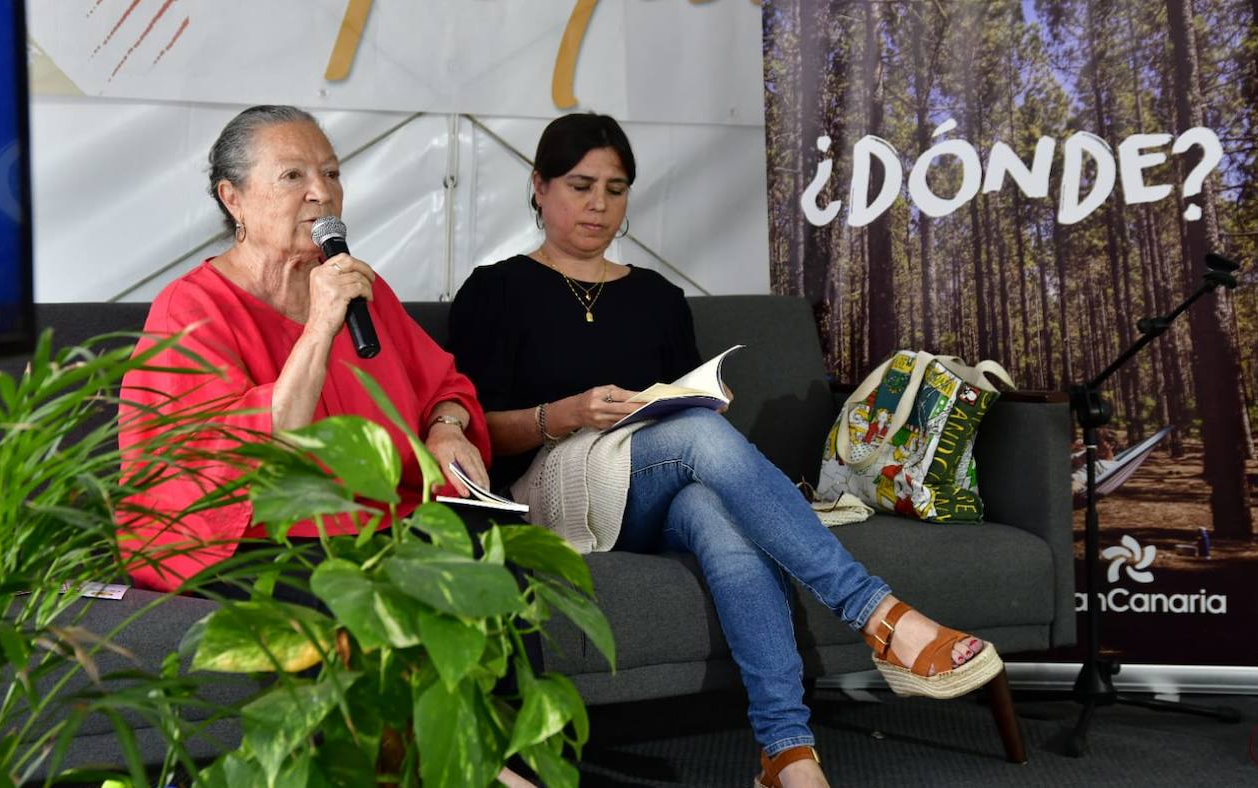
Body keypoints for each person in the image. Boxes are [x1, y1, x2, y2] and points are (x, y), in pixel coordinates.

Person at [447, 113, 1005, 788]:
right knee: (699, 444)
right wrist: (558, 416)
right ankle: (880, 616)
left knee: (717, 510)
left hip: (646, 492)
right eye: (580, 185)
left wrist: (701, 400)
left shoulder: (655, 296)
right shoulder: (495, 289)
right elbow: (471, 433)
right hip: (548, 491)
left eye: (616, 188)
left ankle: (786, 754)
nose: (599, 204)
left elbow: (679, 403)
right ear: (538, 187)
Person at [117, 105, 537, 788]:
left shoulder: (365, 291)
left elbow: (444, 382)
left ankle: (512, 765)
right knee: (356, 602)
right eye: (293, 175)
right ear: (235, 199)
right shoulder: (192, 308)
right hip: (244, 538)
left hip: (374, 525)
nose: (322, 193)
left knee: (499, 577)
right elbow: (260, 441)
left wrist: (449, 424)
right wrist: (319, 323)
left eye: (332, 173)